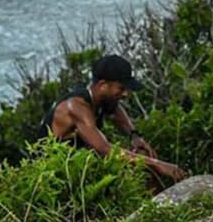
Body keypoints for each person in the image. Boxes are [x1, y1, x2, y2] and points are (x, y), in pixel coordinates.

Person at [41, 54, 186, 183]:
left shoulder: (100, 99)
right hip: (50, 173)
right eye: (121, 88)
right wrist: (158, 164)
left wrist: (134, 135)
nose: (125, 94)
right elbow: (104, 149)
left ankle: (157, 204)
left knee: (142, 155)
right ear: (103, 85)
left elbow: (116, 110)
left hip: (76, 163)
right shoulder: (76, 107)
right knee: (144, 163)